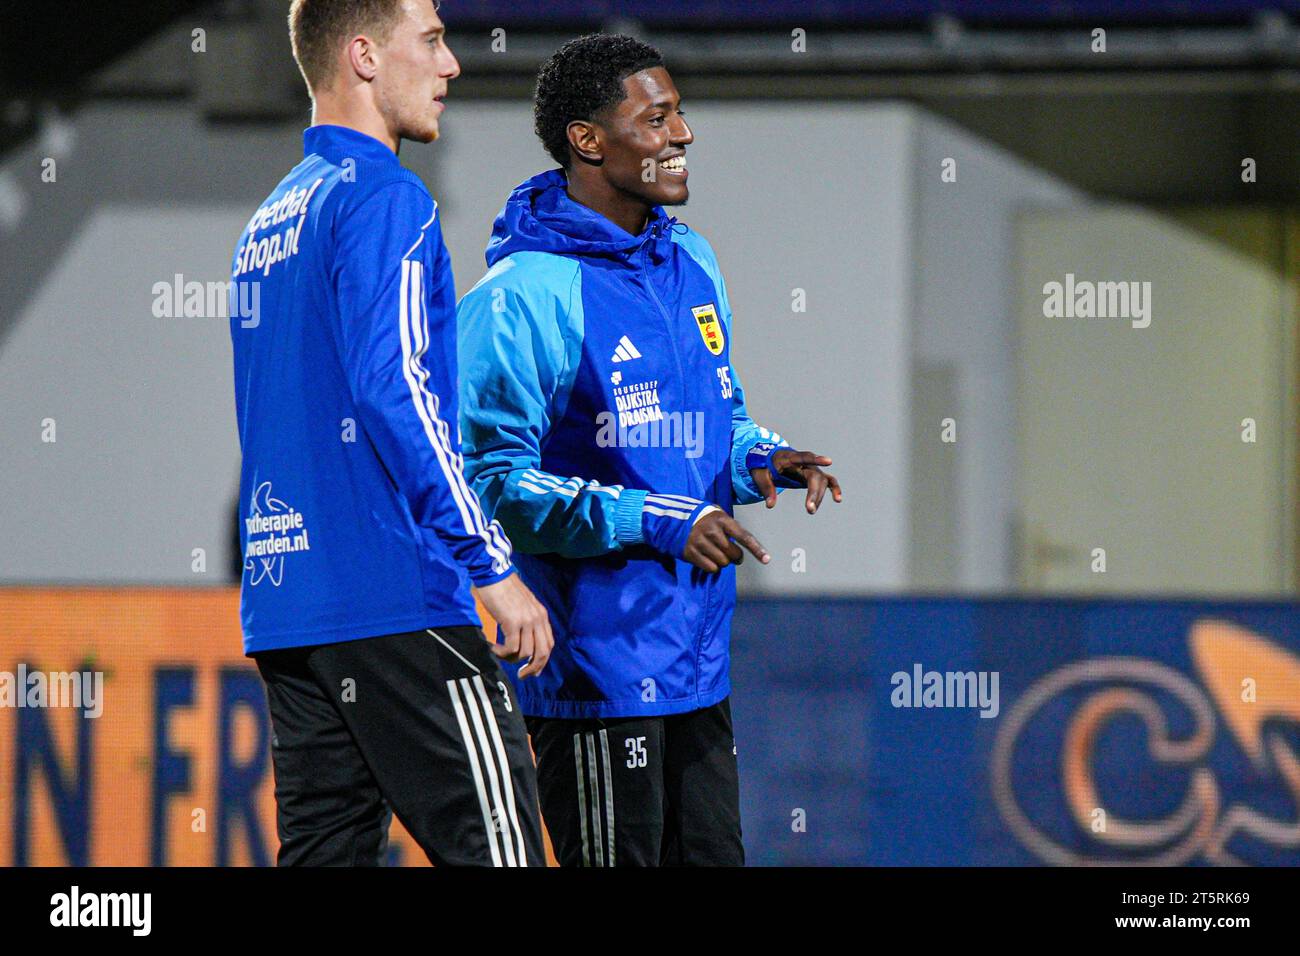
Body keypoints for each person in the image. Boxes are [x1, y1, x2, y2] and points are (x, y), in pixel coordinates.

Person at [457, 33, 843, 866]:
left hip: (698, 664)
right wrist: (662, 520)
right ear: (588, 140)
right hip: (597, 674)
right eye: (658, 117)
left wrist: (762, 460)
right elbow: (489, 487)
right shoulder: (522, 295)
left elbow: (718, 416)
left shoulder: (691, 260)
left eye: (680, 113)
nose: (683, 135)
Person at [228, 0, 552, 866]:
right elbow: (397, 390)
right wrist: (490, 564)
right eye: (434, 39)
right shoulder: (385, 198)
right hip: (397, 597)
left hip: (290, 607)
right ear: (365, 56)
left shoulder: (269, 220)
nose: (452, 66)